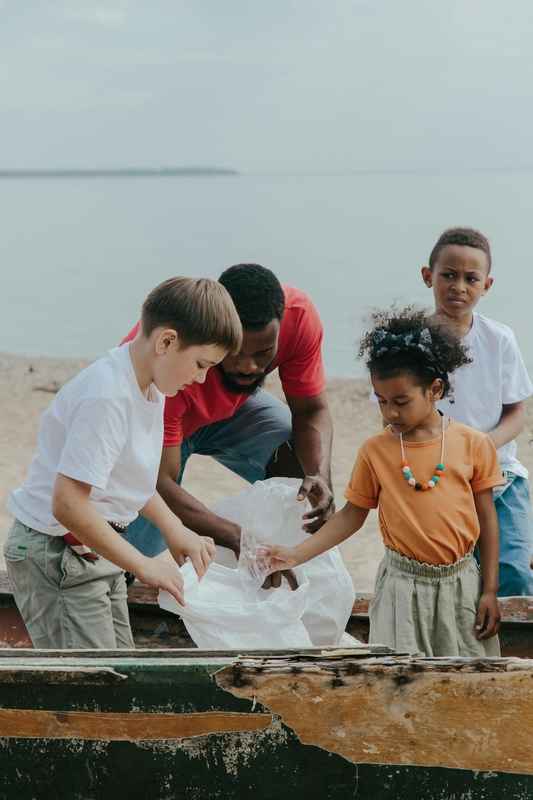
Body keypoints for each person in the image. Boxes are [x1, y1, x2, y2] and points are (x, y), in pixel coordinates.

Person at [4, 277, 242, 649]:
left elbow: (129, 478)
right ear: (166, 341)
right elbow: (67, 503)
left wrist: (173, 527)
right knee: (95, 682)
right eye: (200, 364)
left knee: (120, 665)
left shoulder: (151, 385)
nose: (201, 379)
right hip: (56, 550)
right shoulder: (108, 396)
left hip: (96, 546)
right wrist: (144, 565)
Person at [261, 308, 504, 657]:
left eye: (401, 402)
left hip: (462, 586)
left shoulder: (473, 444)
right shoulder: (376, 450)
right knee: (400, 682)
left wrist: (489, 591)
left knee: (467, 678)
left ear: (435, 389)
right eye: (381, 400)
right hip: (400, 588)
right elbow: (350, 516)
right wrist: (294, 555)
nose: (390, 412)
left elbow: (487, 520)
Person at [121, 264, 334, 589]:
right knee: (121, 559)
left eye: (264, 353)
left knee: (299, 465)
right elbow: (157, 482)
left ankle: (282, 570)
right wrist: (235, 537)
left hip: (228, 411)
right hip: (162, 413)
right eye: (235, 353)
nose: (249, 366)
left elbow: (310, 411)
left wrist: (320, 474)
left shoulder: (300, 316)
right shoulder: (170, 362)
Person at [421, 227, 533, 597]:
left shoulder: (499, 338)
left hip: (501, 477)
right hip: (437, 480)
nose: (459, 286)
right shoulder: (411, 343)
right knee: (452, 581)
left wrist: (481, 445)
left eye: (471, 278)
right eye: (448, 275)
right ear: (428, 276)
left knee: (515, 575)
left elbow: (517, 411)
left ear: (486, 285)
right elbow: (394, 415)